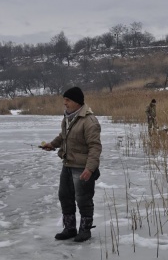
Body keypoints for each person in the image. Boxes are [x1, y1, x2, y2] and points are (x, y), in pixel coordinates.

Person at [41, 86, 102, 243]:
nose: (64, 103)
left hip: (82, 168)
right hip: (67, 165)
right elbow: (63, 136)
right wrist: (52, 144)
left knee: (83, 199)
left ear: (76, 101)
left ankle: (85, 230)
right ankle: (69, 228)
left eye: (67, 100)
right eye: (64, 100)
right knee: (65, 197)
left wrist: (90, 169)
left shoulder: (89, 121)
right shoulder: (68, 118)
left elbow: (95, 147)